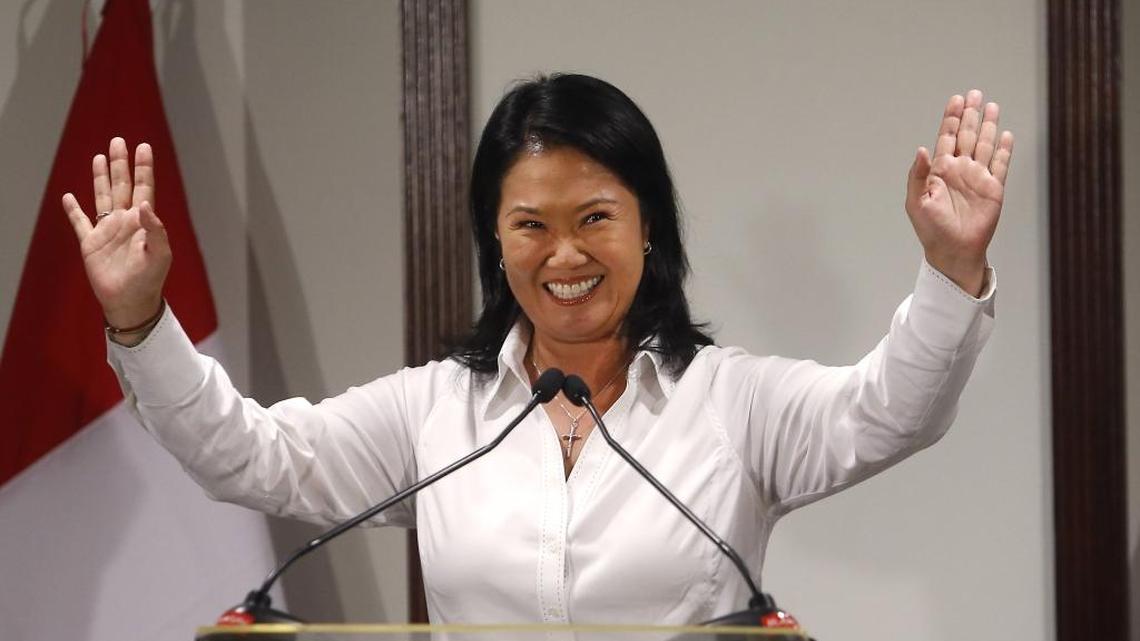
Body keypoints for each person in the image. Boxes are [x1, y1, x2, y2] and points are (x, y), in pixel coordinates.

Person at [62, 74, 1012, 625]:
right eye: (530, 225)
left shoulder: (735, 405)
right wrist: (141, 322)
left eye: (595, 217)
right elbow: (248, 456)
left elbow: (891, 413)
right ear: (495, 239)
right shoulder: (435, 412)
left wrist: (951, 268)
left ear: (648, 228)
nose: (564, 255)